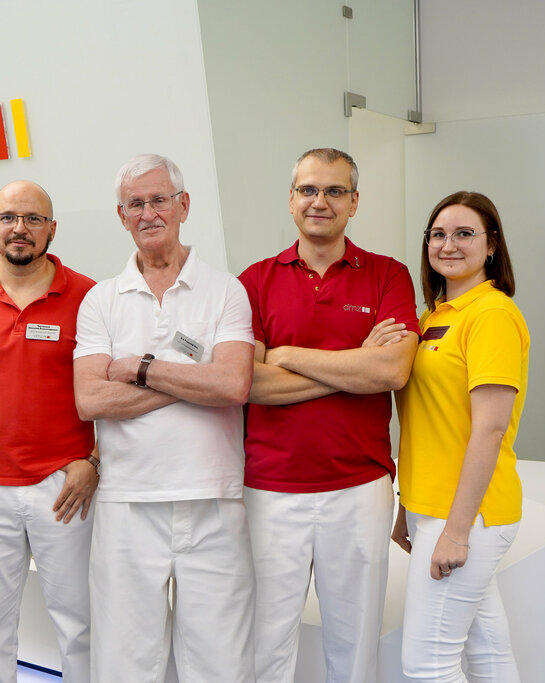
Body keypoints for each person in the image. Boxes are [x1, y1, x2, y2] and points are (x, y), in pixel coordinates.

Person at [73, 153, 256, 682]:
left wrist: (140, 369)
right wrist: (194, 379)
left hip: (214, 499)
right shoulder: (100, 301)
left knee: (221, 665)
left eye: (159, 200)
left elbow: (234, 386)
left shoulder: (226, 290)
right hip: (127, 503)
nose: (148, 213)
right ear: (121, 215)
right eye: (135, 204)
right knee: (124, 665)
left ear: (184, 205)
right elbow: (90, 400)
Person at [239, 148, 419, 682]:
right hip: (269, 489)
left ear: (354, 202)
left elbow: (392, 371)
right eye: (309, 190)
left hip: (359, 486)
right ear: (291, 200)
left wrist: (286, 355)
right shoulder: (254, 280)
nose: (320, 201)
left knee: (355, 642)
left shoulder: (388, 275)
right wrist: (355, 361)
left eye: (335, 191)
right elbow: (250, 383)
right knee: (265, 643)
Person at [0, 180, 98, 683]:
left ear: (52, 228)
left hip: (65, 490)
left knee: (80, 625)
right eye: (8, 217)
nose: (19, 228)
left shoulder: (88, 296)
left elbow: (112, 390)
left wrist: (94, 462)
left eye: (33, 219)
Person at [392, 191, 528, 682]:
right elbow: (429, 422)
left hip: (469, 514)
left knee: (426, 664)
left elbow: (489, 429)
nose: (448, 245)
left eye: (464, 233)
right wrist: (408, 507)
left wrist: (455, 531)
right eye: (438, 234)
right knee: (487, 650)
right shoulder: (433, 317)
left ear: (491, 245)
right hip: (433, 507)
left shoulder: (491, 314)